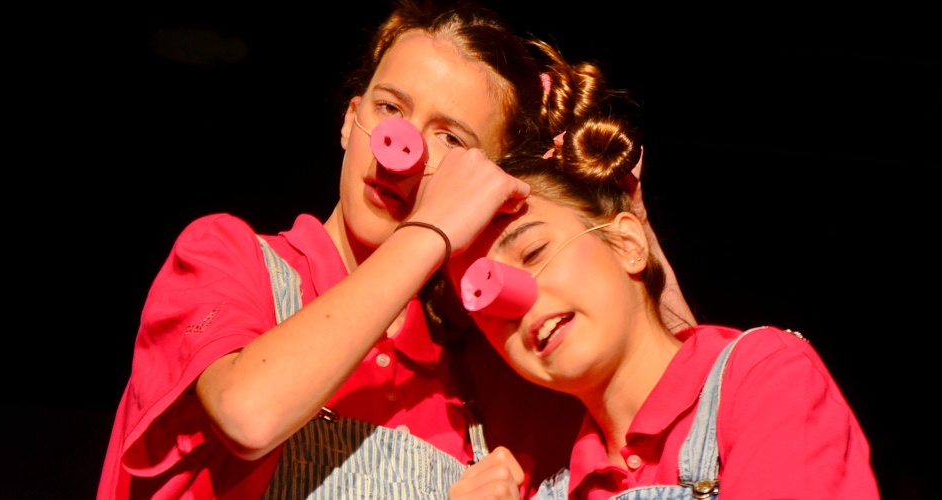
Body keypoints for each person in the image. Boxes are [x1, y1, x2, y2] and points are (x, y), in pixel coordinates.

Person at [97, 2, 694, 499]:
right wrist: (433, 226)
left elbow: (684, 424)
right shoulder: (230, 258)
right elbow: (249, 413)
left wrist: (628, 233)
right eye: (390, 109)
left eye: (451, 138)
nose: (398, 150)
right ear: (349, 120)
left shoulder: (486, 353)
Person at [444, 106, 880, 499]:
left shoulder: (763, 378)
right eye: (485, 301)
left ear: (627, 241)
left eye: (534, 251)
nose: (516, 303)